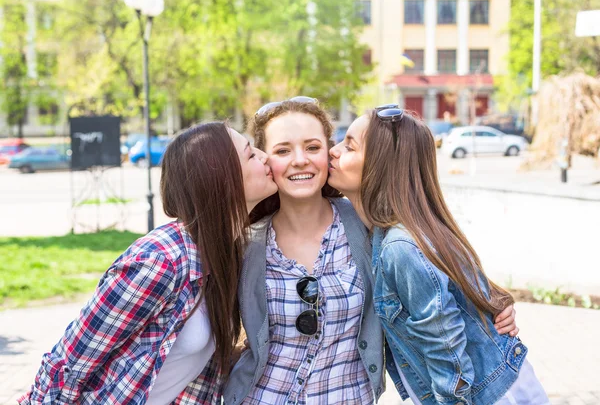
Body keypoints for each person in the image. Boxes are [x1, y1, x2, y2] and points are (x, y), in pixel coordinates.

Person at [224, 98, 519, 405]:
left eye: (313, 147)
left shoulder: (371, 231)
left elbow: (432, 266)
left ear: (328, 151)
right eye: (283, 150)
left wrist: (490, 302)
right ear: (264, 160)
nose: (300, 160)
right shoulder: (246, 244)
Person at [18, 122, 277, 405]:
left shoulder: (226, 256)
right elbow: (70, 363)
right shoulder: (159, 261)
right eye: (251, 154)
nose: (265, 157)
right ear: (221, 178)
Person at [328, 106, 549, 405]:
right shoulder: (403, 231)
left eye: (349, 146)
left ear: (380, 166)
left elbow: (446, 352)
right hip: (500, 386)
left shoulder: (400, 247)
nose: (334, 151)